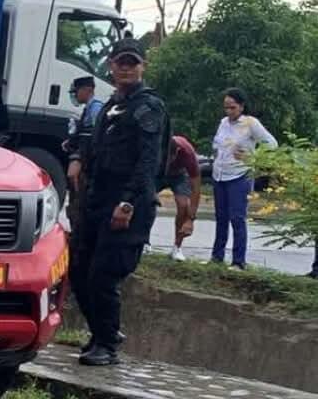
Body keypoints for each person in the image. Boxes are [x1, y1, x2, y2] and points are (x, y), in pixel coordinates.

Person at [70, 37, 167, 368]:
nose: (126, 68)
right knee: (79, 270)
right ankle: (102, 331)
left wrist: (127, 203)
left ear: (142, 67)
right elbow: (94, 145)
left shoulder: (148, 107)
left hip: (128, 201)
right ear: (111, 66)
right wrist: (78, 159)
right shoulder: (111, 105)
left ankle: (107, 344)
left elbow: (148, 161)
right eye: (120, 62)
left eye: (132, 63)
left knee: (104, 275)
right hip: (97, 197)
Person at [210, 87, 277, 269]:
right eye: (226, 107)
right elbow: (218, 145)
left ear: (241, 106)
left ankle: (238, 261)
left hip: (239, 176)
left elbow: (272, 144)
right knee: (221, 218)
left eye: (232, 107)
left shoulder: (250, 123)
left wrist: (252, 157)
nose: (229, 111)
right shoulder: (223, 123)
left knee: (237, 218)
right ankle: (216, 257)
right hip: (220, 175)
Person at [158, 134, 202, 262]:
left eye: (170, 158)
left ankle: (177, 248)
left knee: (183, 205)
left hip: (179, 175)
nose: (168, 161)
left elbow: (196, 188)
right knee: (145, 201)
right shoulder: (156, 147)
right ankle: (144, 241)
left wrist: (190, 219)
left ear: (177, 151)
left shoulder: (188, 152)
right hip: (158, 173)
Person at [64, 76, 104, 195]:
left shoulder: (96, 108)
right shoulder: (88, 108)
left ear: (87, 90)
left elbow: (97, 134)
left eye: (76, 91)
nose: (75, 95)